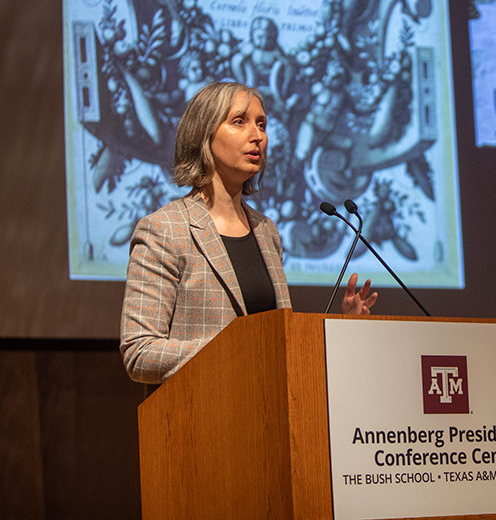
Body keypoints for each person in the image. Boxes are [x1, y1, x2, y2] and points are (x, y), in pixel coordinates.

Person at [120, 82, 376, 389]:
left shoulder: (266, 231)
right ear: (203, 134)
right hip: (201, 420)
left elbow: (278, 344)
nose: (258, 136)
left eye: (262, 124)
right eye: (239, 122)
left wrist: (343, 327)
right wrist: (238, 349)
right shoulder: (165, 230)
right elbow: (140, 353)